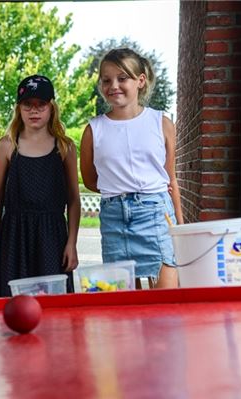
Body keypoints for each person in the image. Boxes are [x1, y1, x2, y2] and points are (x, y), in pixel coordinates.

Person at [80, 48, 183, 289]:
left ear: (140, 81)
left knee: (165, 295)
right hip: (114, 217)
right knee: (122, 298)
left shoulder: (162, 123)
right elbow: (90, 180)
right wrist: (119, 190)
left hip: (156, 213)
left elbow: (171, 179)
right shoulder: (93, 129)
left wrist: (181, 226)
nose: (113, 85)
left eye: (122, 78)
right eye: (106, 80)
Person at [0, 74, 81, 297]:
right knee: (12, 302)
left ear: (52, 108)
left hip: (52, 235)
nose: (34, 111)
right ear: (19, 108)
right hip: (13, 236)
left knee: (52, 302)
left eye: (41, 105)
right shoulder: (7, 146)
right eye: (28, 105)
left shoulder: (65, 147)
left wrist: (72, 242)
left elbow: (74, 200)